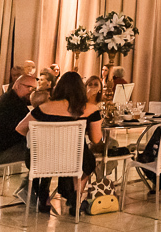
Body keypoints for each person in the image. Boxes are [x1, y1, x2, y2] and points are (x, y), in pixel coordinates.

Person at [16, 72, 101, 214]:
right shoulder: (90, 109)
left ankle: (43, 195)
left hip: (42, 159)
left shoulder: (44, 107)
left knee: (49, 152)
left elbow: (20, 129)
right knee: (87, 160)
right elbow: (96, 139)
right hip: (74, 160)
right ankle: (76, 198)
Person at [0, 75, 36, 167]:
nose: (31, 91)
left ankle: (31, 181)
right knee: (40, 154)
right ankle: (30, 181)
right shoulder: (12, 104)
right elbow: (23, 130)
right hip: (0, 154)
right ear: (17, 86)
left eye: (34, 89)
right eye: (29, 87)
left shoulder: (11, 98)